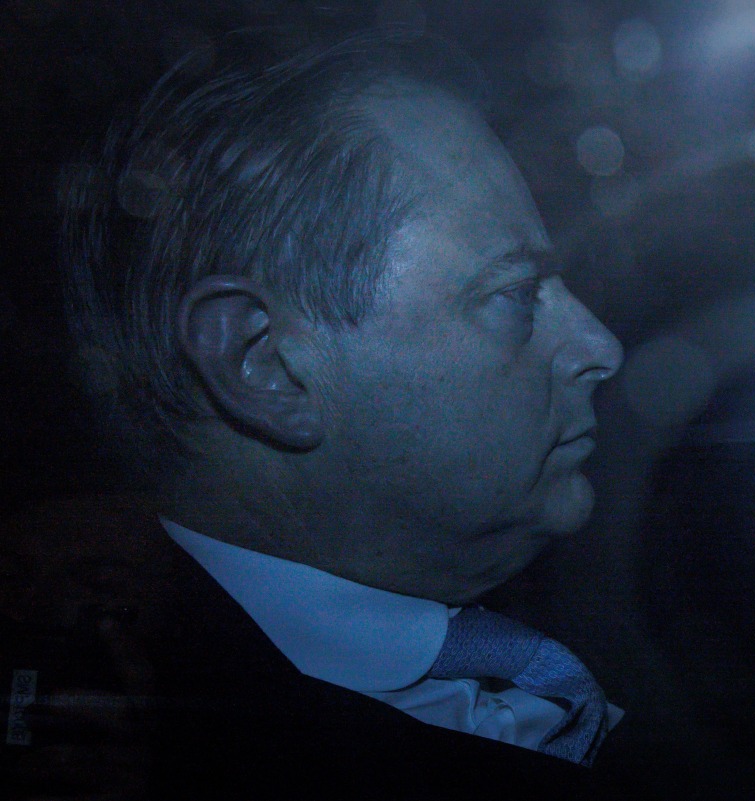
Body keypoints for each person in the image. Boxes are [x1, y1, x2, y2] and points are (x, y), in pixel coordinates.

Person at [18, 29, 627, 800]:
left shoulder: (604, 599)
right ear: (267, 363)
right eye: (512, 294)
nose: (599, 346)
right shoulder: (145, 745)